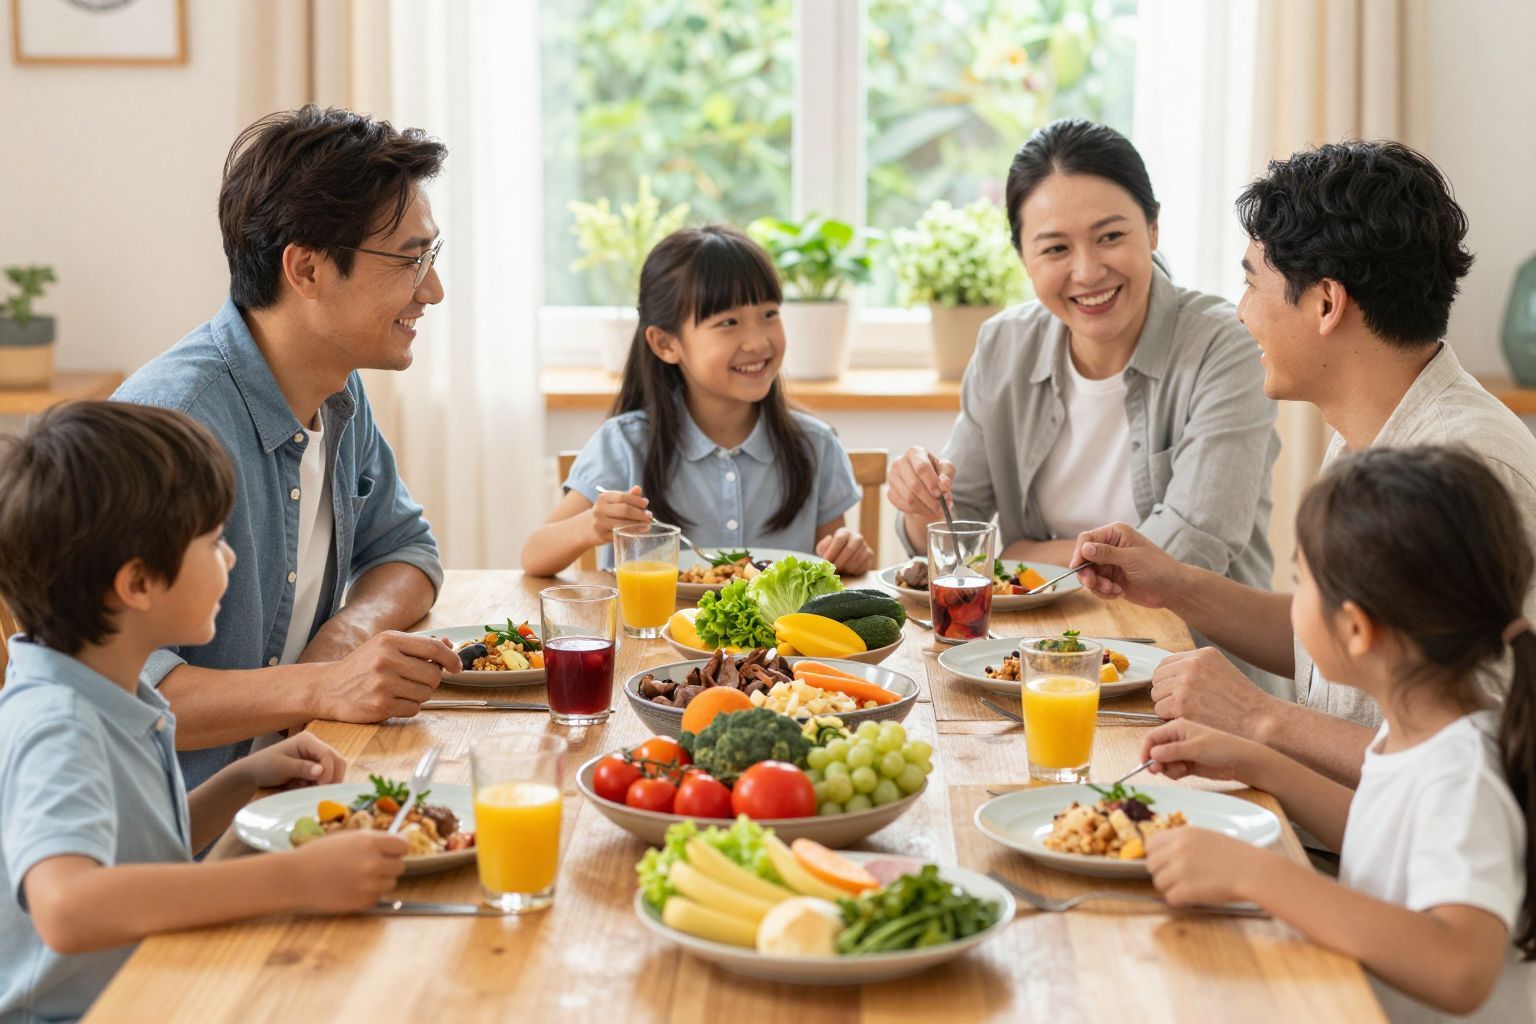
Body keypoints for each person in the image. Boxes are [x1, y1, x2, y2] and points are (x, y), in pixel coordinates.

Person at [1075, 140, 1536, 784]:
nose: (1240, 313)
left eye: (1250, 282)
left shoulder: (1470, 472)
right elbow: (1335, 642)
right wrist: (1175, 585)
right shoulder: (1371, 432)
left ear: (1326, 302)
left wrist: (1261, 719)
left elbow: (1485, 769)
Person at [0, 403, 408, 1024]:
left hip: (145, 986)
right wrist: (294, 881)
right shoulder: (60, 723)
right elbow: (69, 906)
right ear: (137, 584)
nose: (232, 559)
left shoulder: (111, 689)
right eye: (214, 543)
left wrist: (239, 784)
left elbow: (136, 855)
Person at [114, 106, 460, 790]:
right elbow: (126, 696)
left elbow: (407, 552)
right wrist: (318, 687)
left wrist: (343, 640)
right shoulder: (169, 426)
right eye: (409, 260)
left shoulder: (338, 392)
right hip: (180, 845)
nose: (433, 290)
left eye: (433, 255)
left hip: (293, 797)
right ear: (306, 269)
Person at [1140, 447, 1534, 1022]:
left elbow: (1461, 967)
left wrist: (1256, 874)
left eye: (1301, 583)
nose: (1293, 602)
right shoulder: (1420, 729)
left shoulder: (1463, 774)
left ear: (1355, 629)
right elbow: (1382, 841)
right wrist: (1258, 763)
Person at [886, 120, 1279, 660]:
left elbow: (1191, 551)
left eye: (1111, 236)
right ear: (1023, 257)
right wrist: (920, 501)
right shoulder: (1005, 345)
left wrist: (1022, 552)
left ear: (1154, 228)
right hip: (1036, 659)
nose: (1088, 271)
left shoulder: (1224, 345)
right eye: (1054, 249)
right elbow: (959, 535)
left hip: (1192, 668)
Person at [522, 225, 873, 576]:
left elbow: (832, 570)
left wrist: (848, 554)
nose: (757, 342)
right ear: (665, 344)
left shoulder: (815, 445)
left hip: (779, 632)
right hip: (651, 630)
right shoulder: (625, 444)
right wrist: (589, 526)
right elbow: (533, 557)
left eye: (769, 314)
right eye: (729, 322)